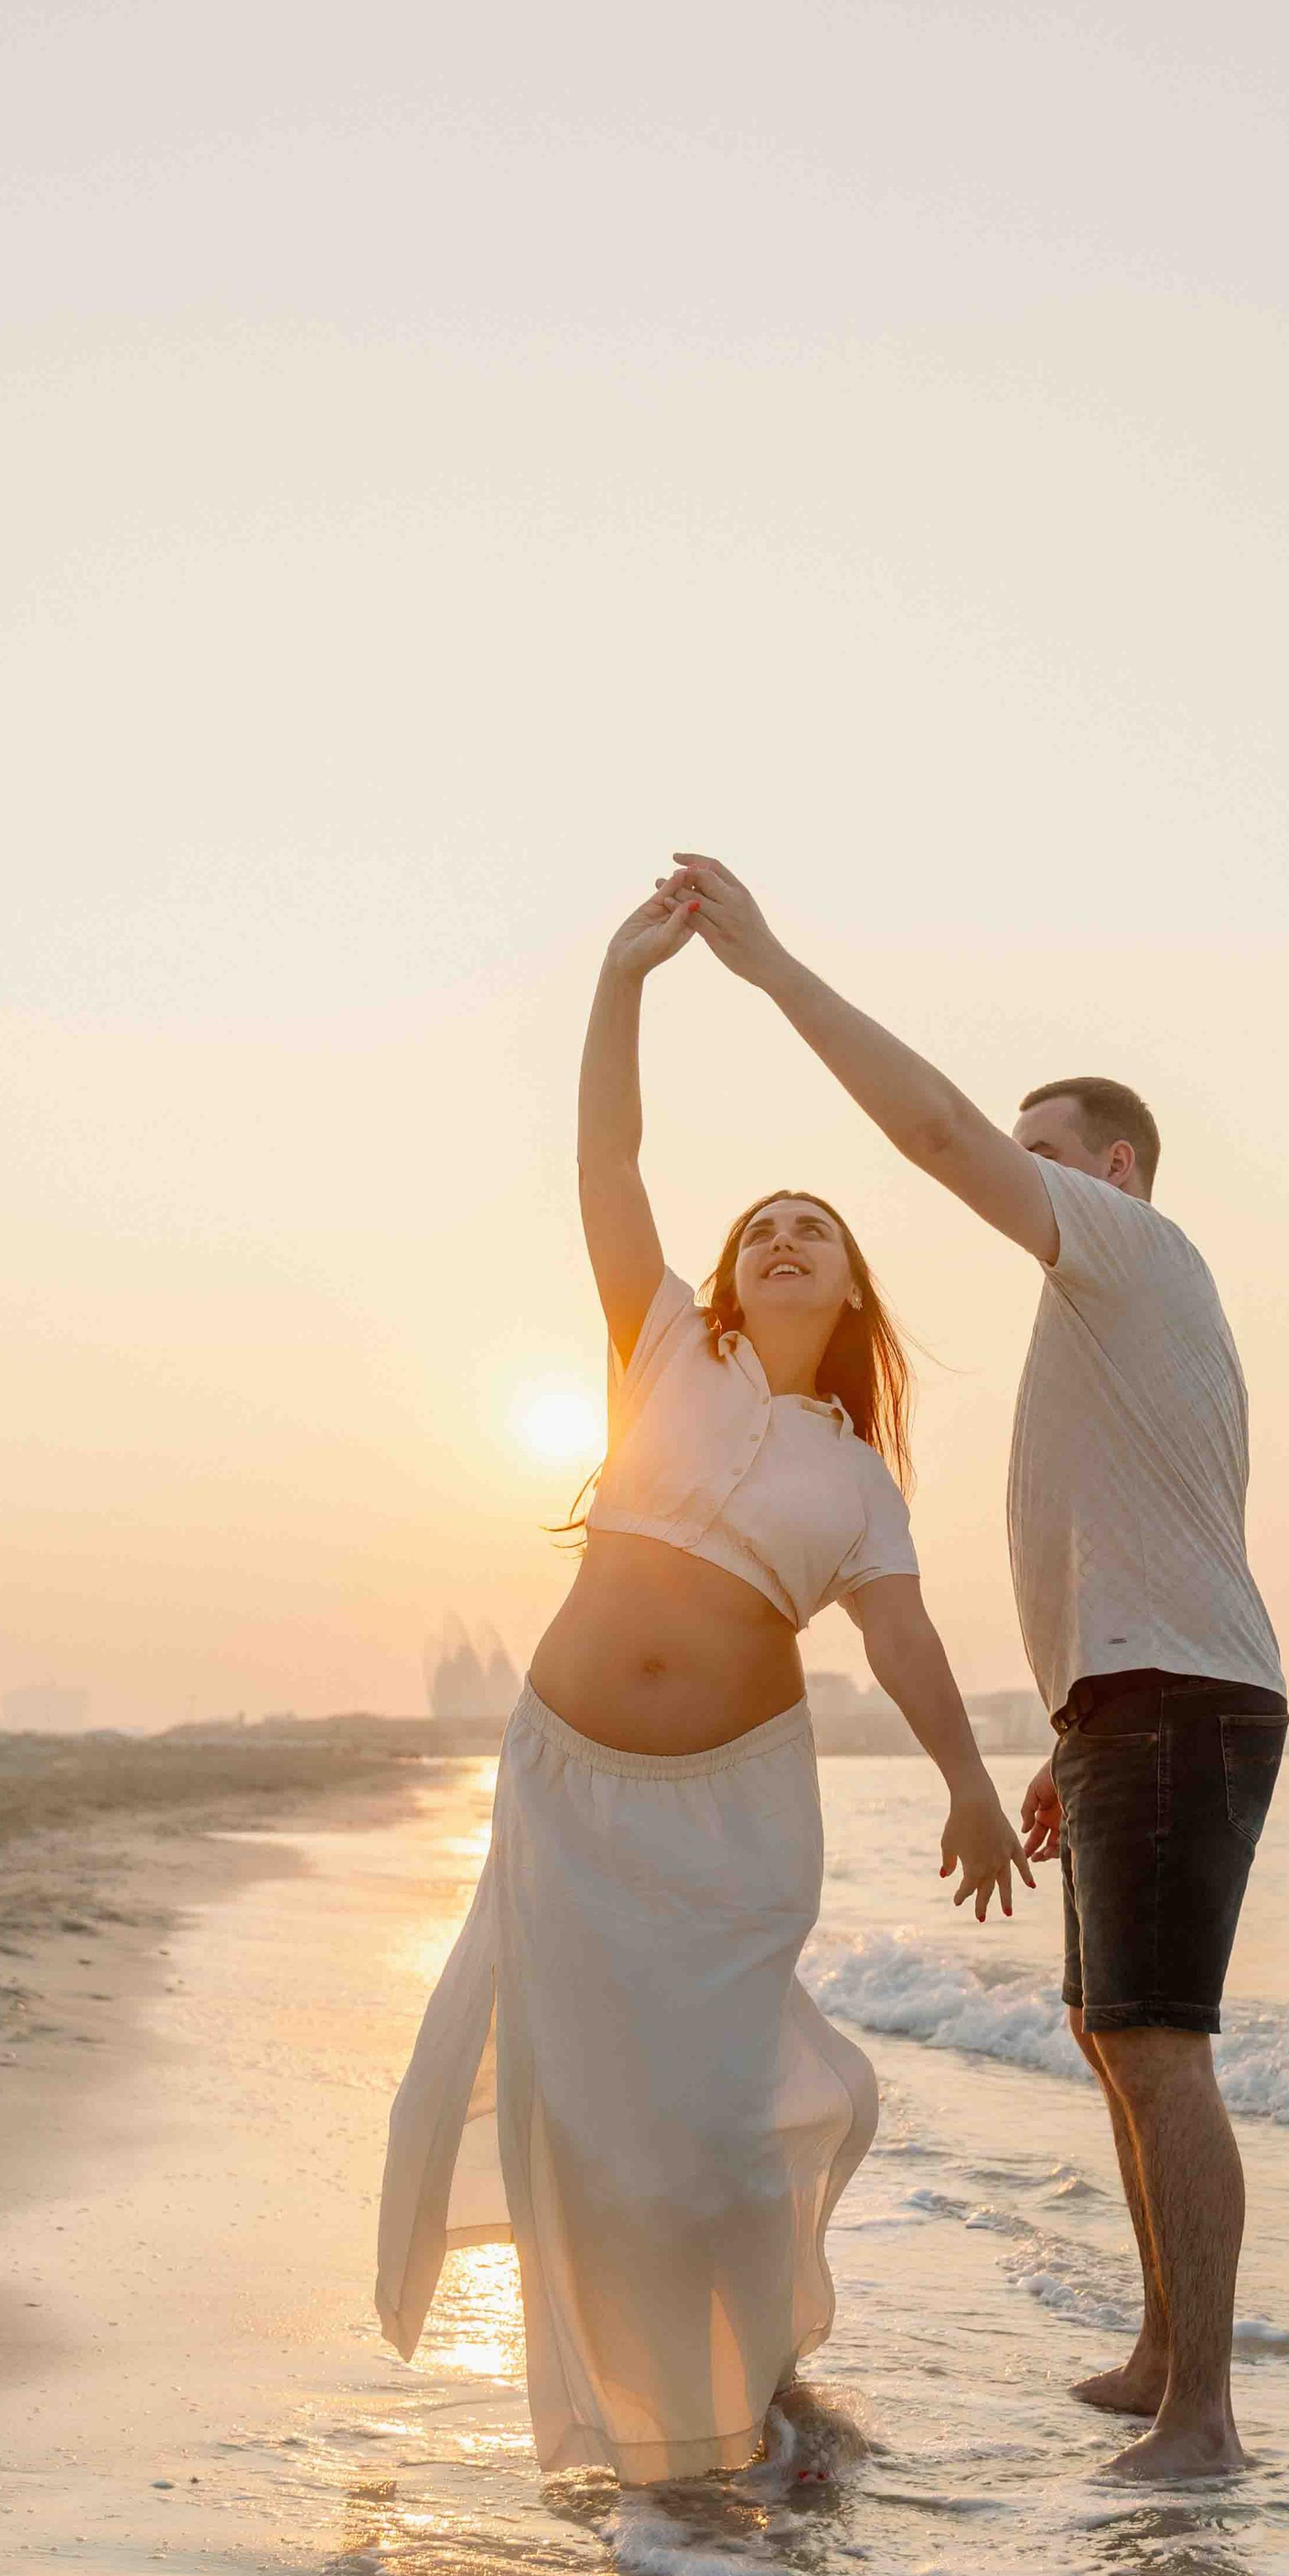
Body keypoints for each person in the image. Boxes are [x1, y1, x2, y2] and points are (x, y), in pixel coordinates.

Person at [376, 888, 1030, 2483]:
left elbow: (904, 1642)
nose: (784, 1237)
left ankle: (757, 2380)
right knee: (596, 2131)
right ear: (733, 1276)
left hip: (735, 1821)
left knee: (720, 2130)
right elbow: (609, 1162)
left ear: (853, 1291)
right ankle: (661, 2433)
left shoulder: (859, 1479)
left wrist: (967, 1784)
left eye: (817, 1229)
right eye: (762, 1228)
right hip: (568, 1788)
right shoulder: (666, 1346)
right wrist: (624, 981)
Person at [662, 853, 1286, 2483]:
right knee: (1109, 2033)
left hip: (1179, 1703)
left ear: (1115, 1168)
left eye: (1044, 1155)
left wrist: (773, 970)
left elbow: (935, 1133)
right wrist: (1072, 1728)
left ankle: (1207, 2419)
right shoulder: (1109, 1306)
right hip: (1135, 1699)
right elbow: (1147, 1536)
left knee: (1160, 2042)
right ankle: (1160, 2355)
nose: (1019, 1178)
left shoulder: (1131, 1249)